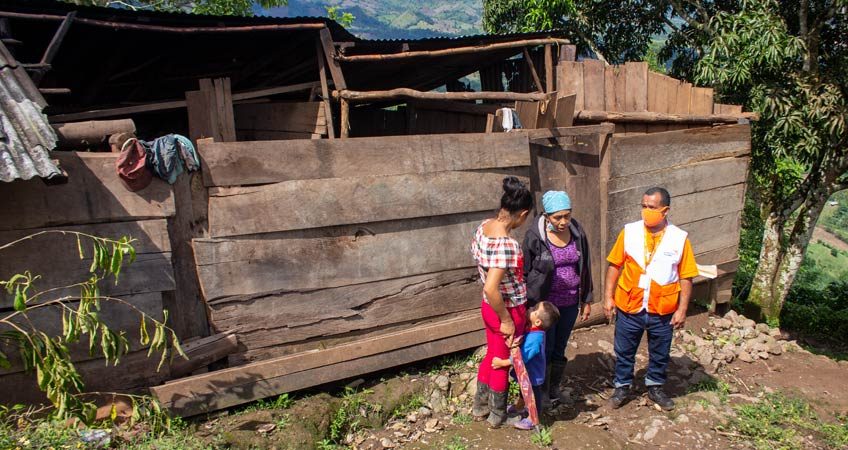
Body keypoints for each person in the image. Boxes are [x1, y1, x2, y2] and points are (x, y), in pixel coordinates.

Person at [603, 187, 699, 411]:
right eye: (643, 206)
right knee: (624, 350)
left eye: (652, 207)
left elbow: (686, 276)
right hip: (629, 305)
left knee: (660, 352)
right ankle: (622, 386)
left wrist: (682, 310)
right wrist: (608, 297)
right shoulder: (629, 232)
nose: (646, 211)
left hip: (662, 309)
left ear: (665, 210)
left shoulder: (679, 238)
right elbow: (614, 265)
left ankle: (655, 387)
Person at [470, 176, 534, 428]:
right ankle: (497, 415)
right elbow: (492, 287)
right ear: (523, 214)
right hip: (506, 308)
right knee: (500, 362)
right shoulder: (506, 244)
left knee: (491, 355)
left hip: (488, 307)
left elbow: (487, 287)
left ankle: (480, 406)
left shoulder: (484, 227)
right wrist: (507, 320)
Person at [522, 190, 593, 408]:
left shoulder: (577, 232)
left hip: (570, 302)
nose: (563, 221)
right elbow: (524, 271)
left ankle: (554, 388)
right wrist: (528, 303)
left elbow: (585, 266)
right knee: (545, 347)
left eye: (567, 215)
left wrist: (586, 298)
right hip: (545, 306)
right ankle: (540, 392)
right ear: (547, 215)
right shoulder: (535, 236)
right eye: (557, 217)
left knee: (560, 347)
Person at [491, 301, 561, 430]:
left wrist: (502, 363)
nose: (530, 308)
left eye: (534, 309)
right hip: (528, 372)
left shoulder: (536, 338)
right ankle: (520, 407)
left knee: (533, 396)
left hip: (533, 374)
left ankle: (533, 418)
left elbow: (522, 358)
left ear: (538, 321)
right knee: (524, 392)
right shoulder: (533, 330)